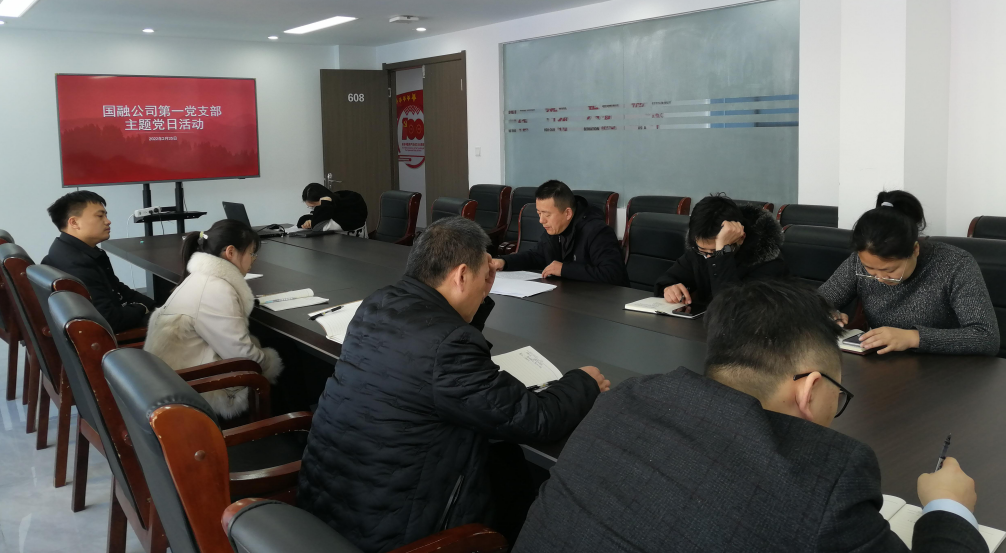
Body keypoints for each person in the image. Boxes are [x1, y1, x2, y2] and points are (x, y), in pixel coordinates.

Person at [514, 279, 987, 553]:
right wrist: (948, 508)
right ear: (809, 389)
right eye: (838, 391)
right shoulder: (829, 479)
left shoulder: (625, 398)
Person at [297, 216, 609, 553]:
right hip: (393, 533)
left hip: (327, 507)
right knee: (518, 474)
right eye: (482, 275)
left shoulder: (378, 303)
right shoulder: (449, 347)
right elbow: (536, 419)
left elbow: (437, 343)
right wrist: (584, 382)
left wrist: (478, 294)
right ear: (461, 275)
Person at [819, 191, 999, 356]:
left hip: (947, 368)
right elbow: (817, 302)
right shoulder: (858, 262)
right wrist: (828, 313)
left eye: (889, 270)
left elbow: (986, 337)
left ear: (915, 250)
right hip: (886, 364)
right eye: (870, 269)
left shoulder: (955, 264)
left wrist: (913, 338)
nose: (879, 278)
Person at [143, 219, 283, 419]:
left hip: (172, 378)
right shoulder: (216, 289)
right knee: (285, 357)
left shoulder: (200, 277)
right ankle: (282, 432)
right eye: (252, 253)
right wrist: (269, 361)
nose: (253, 260)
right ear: (230, 252)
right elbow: (244, 358)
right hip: (195, 390)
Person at [42, 190, 154, 333]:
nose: (108, 221)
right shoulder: (76, 263)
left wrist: (153, 305)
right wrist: (141, 308)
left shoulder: (69, 250)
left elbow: (117, 287)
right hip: (106, 336)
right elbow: (110, 320)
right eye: (100, 216)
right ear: (74, 222)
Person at [653, 194, 787, 304]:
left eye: (713, 252)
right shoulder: (699, 250)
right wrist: (669, 288)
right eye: (702, 250)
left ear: (740, 238)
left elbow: (730, 309)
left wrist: (722, 252)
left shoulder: (768, 262)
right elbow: (669, 277)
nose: (708, 257)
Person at [492, 180, 628, 286]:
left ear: (567, 213)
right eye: (539, 213)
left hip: (601, 303)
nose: (541, 220)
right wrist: (504, 262)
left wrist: (564, 269)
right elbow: (536, 256)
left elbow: (612, 274)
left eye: (547, 214)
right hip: (569, 297)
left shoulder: (597, 231)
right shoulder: (556, 228)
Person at [296, 183, 369, 236]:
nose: (315, 210)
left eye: (315, 207)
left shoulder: (343, 215)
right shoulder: (335, 201)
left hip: (354, 249)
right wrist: (310, 221)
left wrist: (313, 222)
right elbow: (303, 220)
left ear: (324, 201)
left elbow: (317, 228)